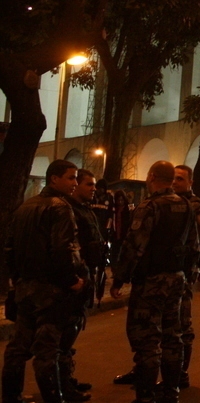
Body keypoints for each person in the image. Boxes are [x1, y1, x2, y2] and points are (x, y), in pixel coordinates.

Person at [109, 161, 198, 403]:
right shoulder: (187, 206)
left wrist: (119, 279)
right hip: (177, 280)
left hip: (151, 281)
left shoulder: (150, 207)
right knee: (173, 337)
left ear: (151, 177)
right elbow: (194, 247)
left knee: (147, 339)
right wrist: (188, 275)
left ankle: (145, 396)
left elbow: (133, 246)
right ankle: (171, 392)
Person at [3, 160, 89, 403]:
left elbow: (9, 249)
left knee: (18, 347)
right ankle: (54, 398)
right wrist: (72, 280)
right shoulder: (60, 208)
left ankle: (11, 396)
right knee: (47, 349)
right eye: (70, 178)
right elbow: (64, 249)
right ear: (54, 179)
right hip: (51, 291)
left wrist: (18, 279)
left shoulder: (25, 207)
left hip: (26, 288)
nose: (74, 183)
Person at [60, 169, 105, 401]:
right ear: (76, 185)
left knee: (73, 330)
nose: (93, 188)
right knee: (65, 334)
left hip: (87, 276)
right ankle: (62, 384)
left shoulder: (85, 209)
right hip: (75, 280)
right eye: (89, 184)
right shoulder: (67, 210)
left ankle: (66, 378)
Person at [172, 165, 200, 389]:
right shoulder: (168, 203)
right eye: (172, 178)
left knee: (182, 326)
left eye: (179, 179)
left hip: (183, 274)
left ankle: (181, 373)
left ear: (190, 181)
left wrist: (197, 267)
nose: (174, 183)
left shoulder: (194, 205)